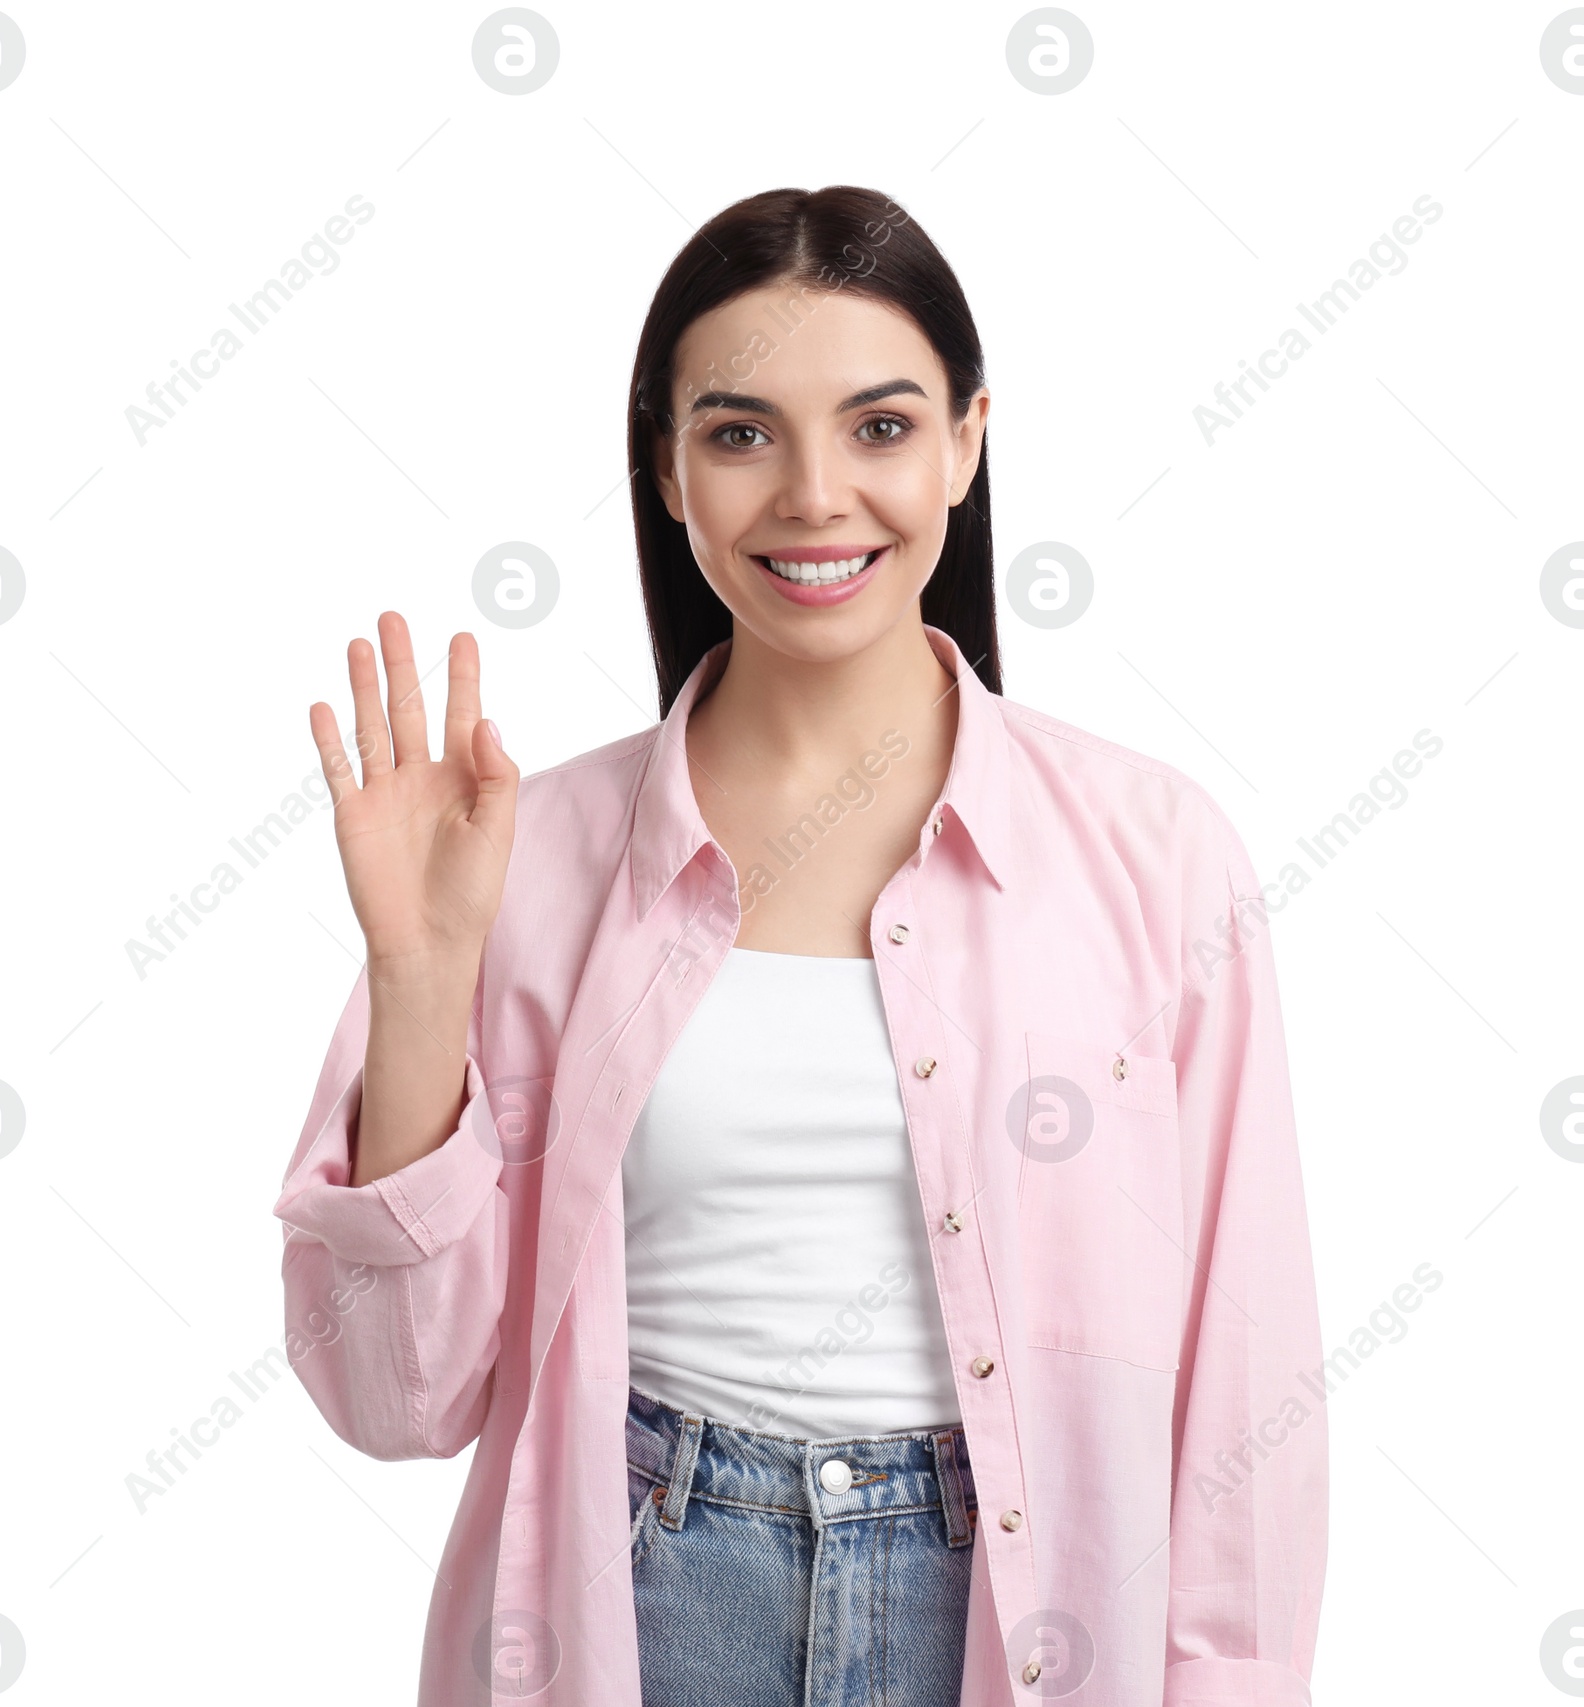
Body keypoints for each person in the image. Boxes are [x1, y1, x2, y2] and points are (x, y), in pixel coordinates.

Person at [273, 185, 1327, 1707]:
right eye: (743, 432)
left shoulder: (1152, 855)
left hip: (1018, 1621)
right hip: (641, 1602)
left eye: (883, 427)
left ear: (968, 440)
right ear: (669, 468)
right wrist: (422, 983)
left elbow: (1252, 1362)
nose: (816, 494)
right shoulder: (524, 855)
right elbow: (396, 1403)